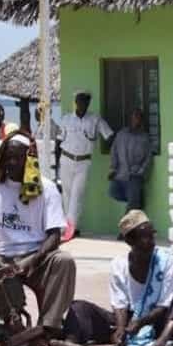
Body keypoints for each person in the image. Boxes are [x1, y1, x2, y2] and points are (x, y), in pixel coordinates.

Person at [59, 211, 173, 346]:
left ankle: (160, 343)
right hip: (132, 320)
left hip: (160, 320)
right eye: (145, 237)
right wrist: (121, 329)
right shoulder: (119, 264)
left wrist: (141, 323)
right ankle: (70, 344)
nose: (152, 241)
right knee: (79, 307)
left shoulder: (166, 261)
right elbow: (120, 303)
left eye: (152, 235)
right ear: (130, 241)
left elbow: (165, 304)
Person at [0, 133, 75, 346]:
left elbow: (54, 237)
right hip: (3, 256)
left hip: (36, 256)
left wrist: (32, 260)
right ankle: (14, 324)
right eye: (7, 158)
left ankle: (45, 330)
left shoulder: (46, 187)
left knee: (64, 261)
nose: (11, 164)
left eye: (17, 158)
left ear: (29, 159)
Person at [57, 90, 114, 237]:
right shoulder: (66, 119)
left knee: (77, 195)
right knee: (67, 195)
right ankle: (71, 227)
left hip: (83, 162)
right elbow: (58, 141)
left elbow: (109, 135)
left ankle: (69, 229)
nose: (83, 104)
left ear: (89, 103)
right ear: (75, 102)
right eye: (81, 101)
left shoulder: (95, 120)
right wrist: (56, 163)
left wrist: (113, 150)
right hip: (66, 159)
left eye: (86, 102)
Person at [108, 108, 152, 215]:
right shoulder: (121, 134)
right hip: (120, 173)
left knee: (132, 205)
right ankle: (137, 200)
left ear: (141, 120)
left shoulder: (144, 138)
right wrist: (113, 168)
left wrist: (141, 171)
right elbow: (114, 151)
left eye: (138, 118)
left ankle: (126, 230)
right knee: (113, 192)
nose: (136, 120)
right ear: (130, 119)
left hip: (135, 175)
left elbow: (148, 157)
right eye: (134, 117)